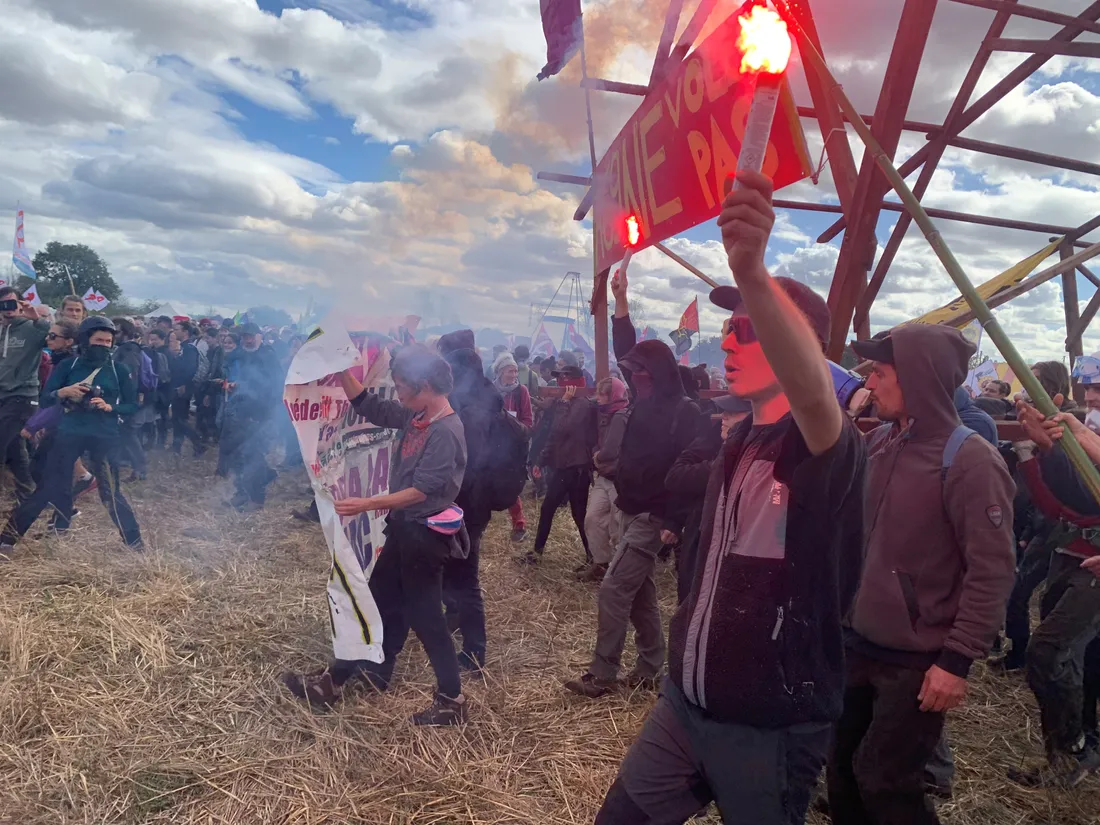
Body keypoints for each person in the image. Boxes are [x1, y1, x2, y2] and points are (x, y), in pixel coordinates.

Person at [594, 171, 865, 824]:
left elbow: (815, 401)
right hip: (686, 704)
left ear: (794, 342)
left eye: (749, 327)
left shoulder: (826, 445)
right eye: (732, 326)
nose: (727, 338)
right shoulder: (739, 436)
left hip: (770, 724)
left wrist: (752, 270)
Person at [826, 326, 1015, 825]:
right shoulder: (883, 442)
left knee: (886, 781)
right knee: (841, 770)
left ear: (919, 379)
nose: (872, 384)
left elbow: (993, 570)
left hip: (915, 660)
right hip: (859, 642)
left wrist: (956, 661)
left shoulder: (971, 460)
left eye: (882, 374)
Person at [281, 346, 469, 726]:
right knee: (375, 600)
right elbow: (371, 406)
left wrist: (366, 503)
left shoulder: (445, 431)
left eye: (402, 387)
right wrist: (340, 368)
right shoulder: (418, 416)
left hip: (424, 537)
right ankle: (334, 680)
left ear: (426, 387)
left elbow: (421, 490)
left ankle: (452, 700)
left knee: (427, 617)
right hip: (404, 530)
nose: (397, 394)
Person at [1009, 398, 1100, 786]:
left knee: (1048, 651)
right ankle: (1073, 751)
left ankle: (1075, 749)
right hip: (1075, 555)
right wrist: (1045, 450)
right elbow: (1068, 502)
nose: (1093, 396)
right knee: (1075, 659)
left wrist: (1079, 441)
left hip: (1091, 566)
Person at [0, 316, 142, 551]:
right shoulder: (69, 366)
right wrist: (64, 392)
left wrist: (110, 406)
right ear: (86, 340)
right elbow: (46, 398)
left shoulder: (119, 370)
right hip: (69, 433)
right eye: (98, 340)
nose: (104, 345)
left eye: (108, 341)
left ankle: (135, 544)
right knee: (47, 487)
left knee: (111, 494)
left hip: (105, 436)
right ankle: (6, 540)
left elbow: (132, 405)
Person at [438, 329, 502, 673]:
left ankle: (475, 652)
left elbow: (468, 458)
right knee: (453, 571)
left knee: (465, 577)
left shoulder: (472, 408)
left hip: (467, 503)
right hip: (471, 502)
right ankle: (456, 617)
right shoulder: (486, 394)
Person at [524, 364, 596, 565]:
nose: (560, 381)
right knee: (547, 509)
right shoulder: (564, 402)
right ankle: (537, 553)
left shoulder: (582, 404)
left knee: (579, 515)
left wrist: (563, 404)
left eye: (564, 377)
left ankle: (593, 558)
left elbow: (563, 428)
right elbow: (553, 437)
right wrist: (541, 460)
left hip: (577, 468)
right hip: (562, 466)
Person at [221, 323, 281, 511]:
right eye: (244, 336)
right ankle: (242, 491)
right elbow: (229, 372)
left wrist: (264, 410)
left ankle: (256, 499)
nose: (247, 340)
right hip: (240, 412)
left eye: (251, 336)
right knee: (238, 455)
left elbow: (275, 385)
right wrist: (230, 384)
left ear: (260, 336)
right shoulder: (240, 355)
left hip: (261, 414)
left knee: (253, 455)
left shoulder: (268, 356)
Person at [0, 286, 51, 501]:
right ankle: (30, 497)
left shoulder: (31, 327)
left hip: (22, 396)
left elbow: (47, 331)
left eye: (11, 303)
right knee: (14, 450)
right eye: (2, 305)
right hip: (3, 395)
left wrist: (36, 317)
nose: (7, 309)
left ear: (21, 304)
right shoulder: (3, 330)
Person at [578, 376, 630, 583]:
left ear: (613, 395)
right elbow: (596, 442)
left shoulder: (621, 415)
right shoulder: (602, 413)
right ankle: (601, 564)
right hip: (604, 476)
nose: (597, 397)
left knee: (617, 526)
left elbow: (611, 449)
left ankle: (620, 572)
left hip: (618, 478)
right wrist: (596, 453)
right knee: (592, 519)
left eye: (602, 394)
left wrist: (598, 457)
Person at [493, 352, 533, 543]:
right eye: (510, 370)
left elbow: (528, 422)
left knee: (512, 484)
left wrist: (510, 423)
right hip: (493, 444)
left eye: (516, 370)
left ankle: (519, 525)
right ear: (500, 372)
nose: (514, 374)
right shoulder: (491, 391)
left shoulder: (521, 391)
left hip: (515, 445)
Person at [111, 318, 153, 481]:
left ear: (126, 333)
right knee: (125, 433)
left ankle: (140, 468)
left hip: (126, 399)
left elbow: (129, 376)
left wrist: (127, 400)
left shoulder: (129, 349)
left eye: (117, 331)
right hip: (124, 399)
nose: (114, 335)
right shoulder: (124, 348)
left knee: (128, 433)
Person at [167, 321, 205, 456]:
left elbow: (190, 369)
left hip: (183, 387)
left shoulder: (189, 348)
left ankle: (197, 441)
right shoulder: (184, 347)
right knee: (177, 417)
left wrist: (183, 385)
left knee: (180, 418)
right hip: (179, 385)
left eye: (177, 329)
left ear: (185, 332)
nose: (174, 331)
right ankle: (176, 446)